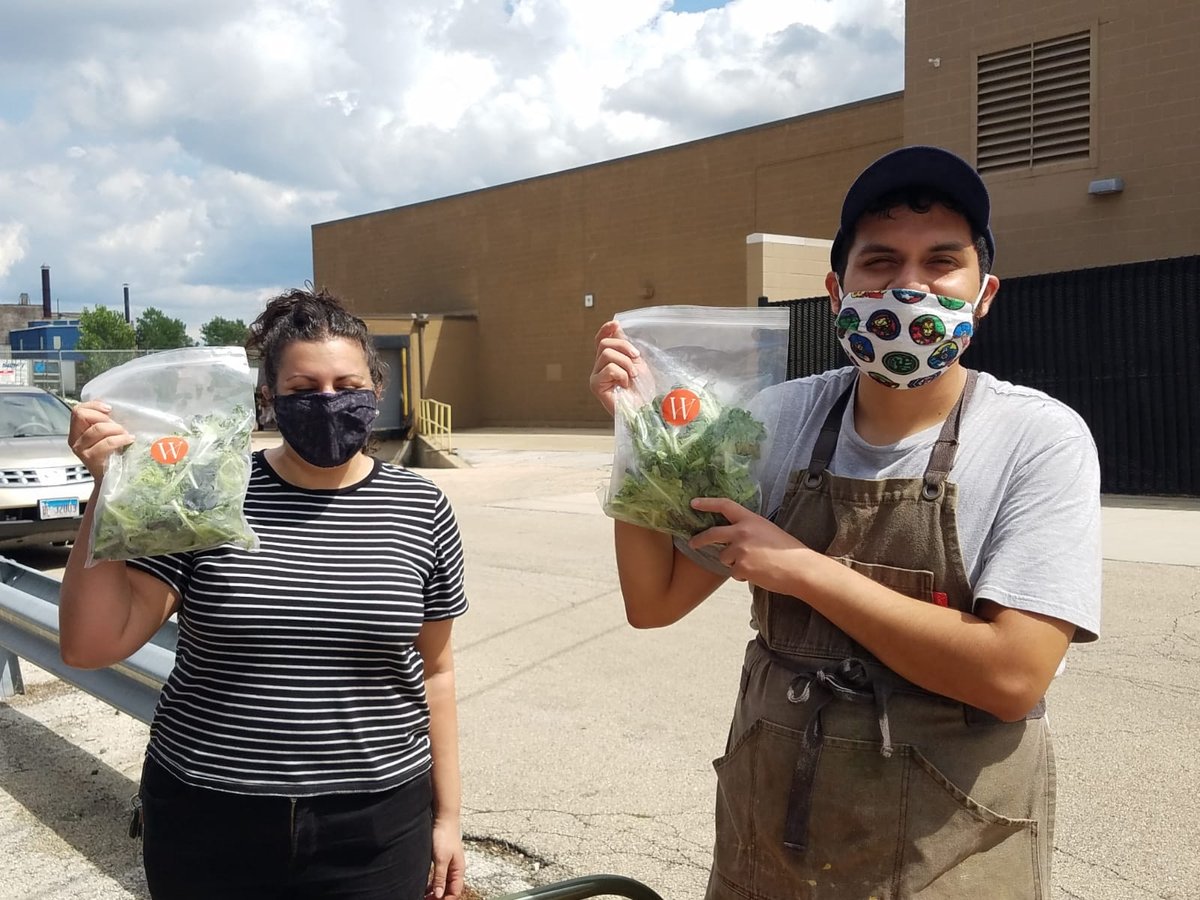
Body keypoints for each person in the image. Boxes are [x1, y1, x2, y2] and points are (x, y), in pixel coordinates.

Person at [589, 145, 1101, 899]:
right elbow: (655, 601)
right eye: (881, 261)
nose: (908, 286)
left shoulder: (1037, 438)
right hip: (771, 847)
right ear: (837, 290)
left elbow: (1012, 675)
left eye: (941, 263)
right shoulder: (778, 419)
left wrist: (803, 569)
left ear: (983, 293)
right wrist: (639, 435)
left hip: (948, 859)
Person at [60, 287, 468, 900]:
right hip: (207, 813)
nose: (328, 402)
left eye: (347, 385)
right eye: (304, 390)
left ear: (377, 392)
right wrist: (108, 489)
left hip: (376, 824)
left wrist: (448, 819)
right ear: (268, 398)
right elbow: (91, 644)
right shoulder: (206, 492)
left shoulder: (421, 507)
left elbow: (435, 670)